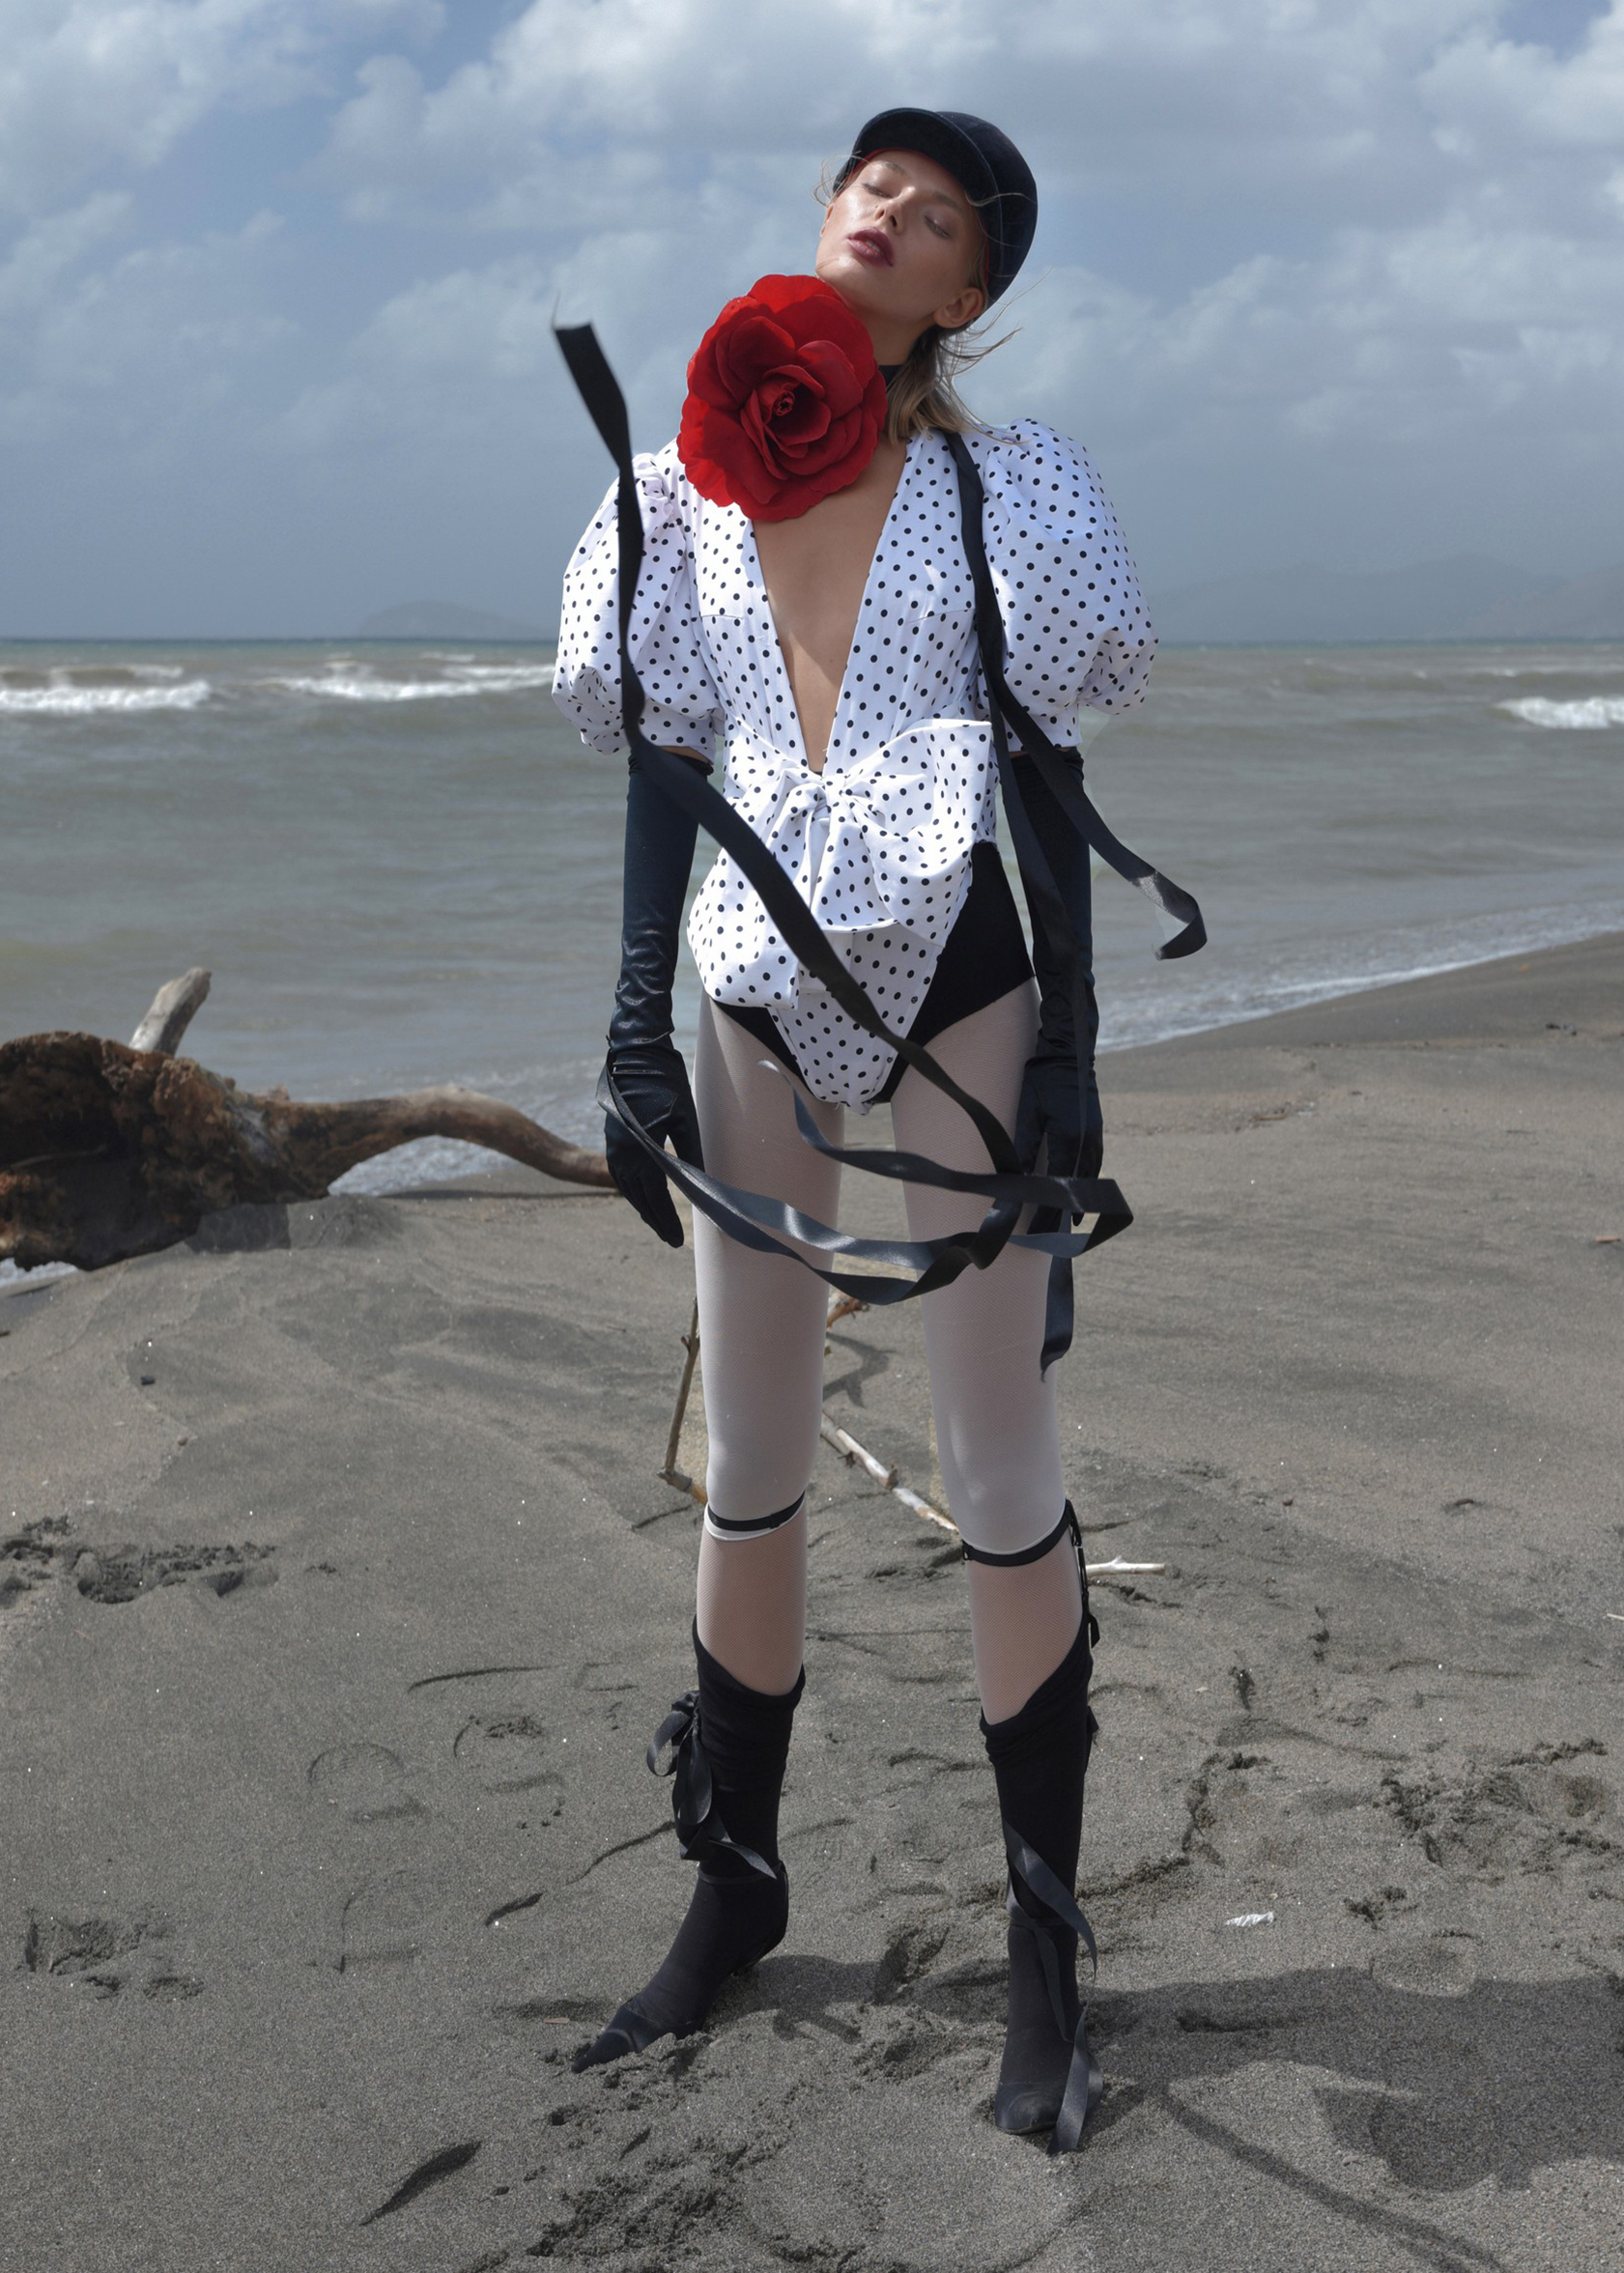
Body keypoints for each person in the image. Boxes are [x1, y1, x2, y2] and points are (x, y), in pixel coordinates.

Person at [552, 107, 1159, 2151]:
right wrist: (630, 1021)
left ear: (971, 285)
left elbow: (1048, 779)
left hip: (962, 980)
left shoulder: (1009, 488)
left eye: (939, 204)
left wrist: (1072, 1053)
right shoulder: (677, 485)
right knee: (749, 1458)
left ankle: (1046, 1951)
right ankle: (735, 1884)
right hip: (743, 994)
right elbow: (667, 755)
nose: (887, 204)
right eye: (867, 179)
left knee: (1001, 1465)